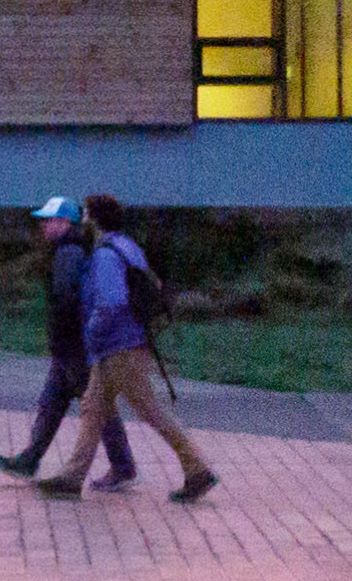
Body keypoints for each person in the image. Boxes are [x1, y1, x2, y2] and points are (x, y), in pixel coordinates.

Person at [41, 197, 219, 504]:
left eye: (86, 214)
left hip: (118, 348)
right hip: (125, 345)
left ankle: (198, 469)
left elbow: (112, 302)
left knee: (151, 411)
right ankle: (71, 477)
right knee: (93, 408)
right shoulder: (127, 246)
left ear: (95, 220)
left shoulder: (105, 255)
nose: (83, 219)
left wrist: (91, 332)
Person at [0, 191, 132, 487]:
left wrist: (64, 335)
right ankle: (30, 459)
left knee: (96, 406)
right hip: (72, 346)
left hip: (74, 346)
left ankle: (122, 466)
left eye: (48, 220)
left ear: (64, 222)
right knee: (53, 402)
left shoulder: (68, 252)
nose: (43, 226)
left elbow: (66, 298)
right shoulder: (72, 248)